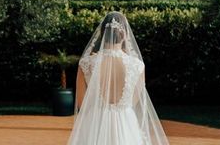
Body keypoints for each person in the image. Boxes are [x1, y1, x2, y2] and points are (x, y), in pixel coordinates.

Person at [67, 11, 170, 145]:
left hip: (95, 123)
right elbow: (134, 100)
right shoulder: (137, 66)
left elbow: (82, 103)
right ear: (125, 35)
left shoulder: (86, 64)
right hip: (125, 123)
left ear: (102, 33)